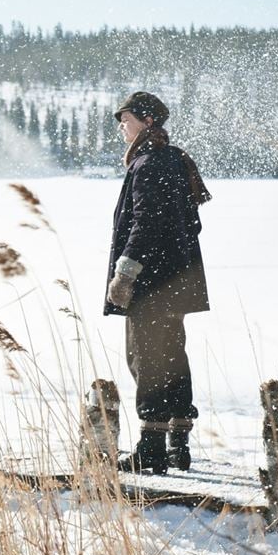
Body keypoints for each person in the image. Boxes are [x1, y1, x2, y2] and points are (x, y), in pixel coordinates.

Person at [105, 91, 211, 474]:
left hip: (150, 282)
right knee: (172, 357)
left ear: (148, 121)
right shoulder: (174, 159)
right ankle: (177, 445)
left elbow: (145, 223)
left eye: (126, 118)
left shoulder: (148, 163)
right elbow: (189, 222)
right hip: (175, 279)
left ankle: (151, 449)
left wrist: (126, 272)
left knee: (146, 358)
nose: (122, 126)